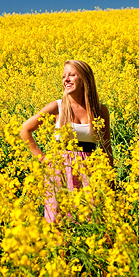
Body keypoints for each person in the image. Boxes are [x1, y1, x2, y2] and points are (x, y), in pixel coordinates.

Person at [19, 60, 112, 223]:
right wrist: (42, 158)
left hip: (90, 172)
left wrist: (109, 178)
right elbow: (24, 130)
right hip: (60, 171)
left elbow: (107, 148)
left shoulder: (99, 109)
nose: (66, 79)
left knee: (93, 221)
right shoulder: (57, 107)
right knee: (59, 222)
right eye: (64, 76)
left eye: (72, 75)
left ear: (85, 79)